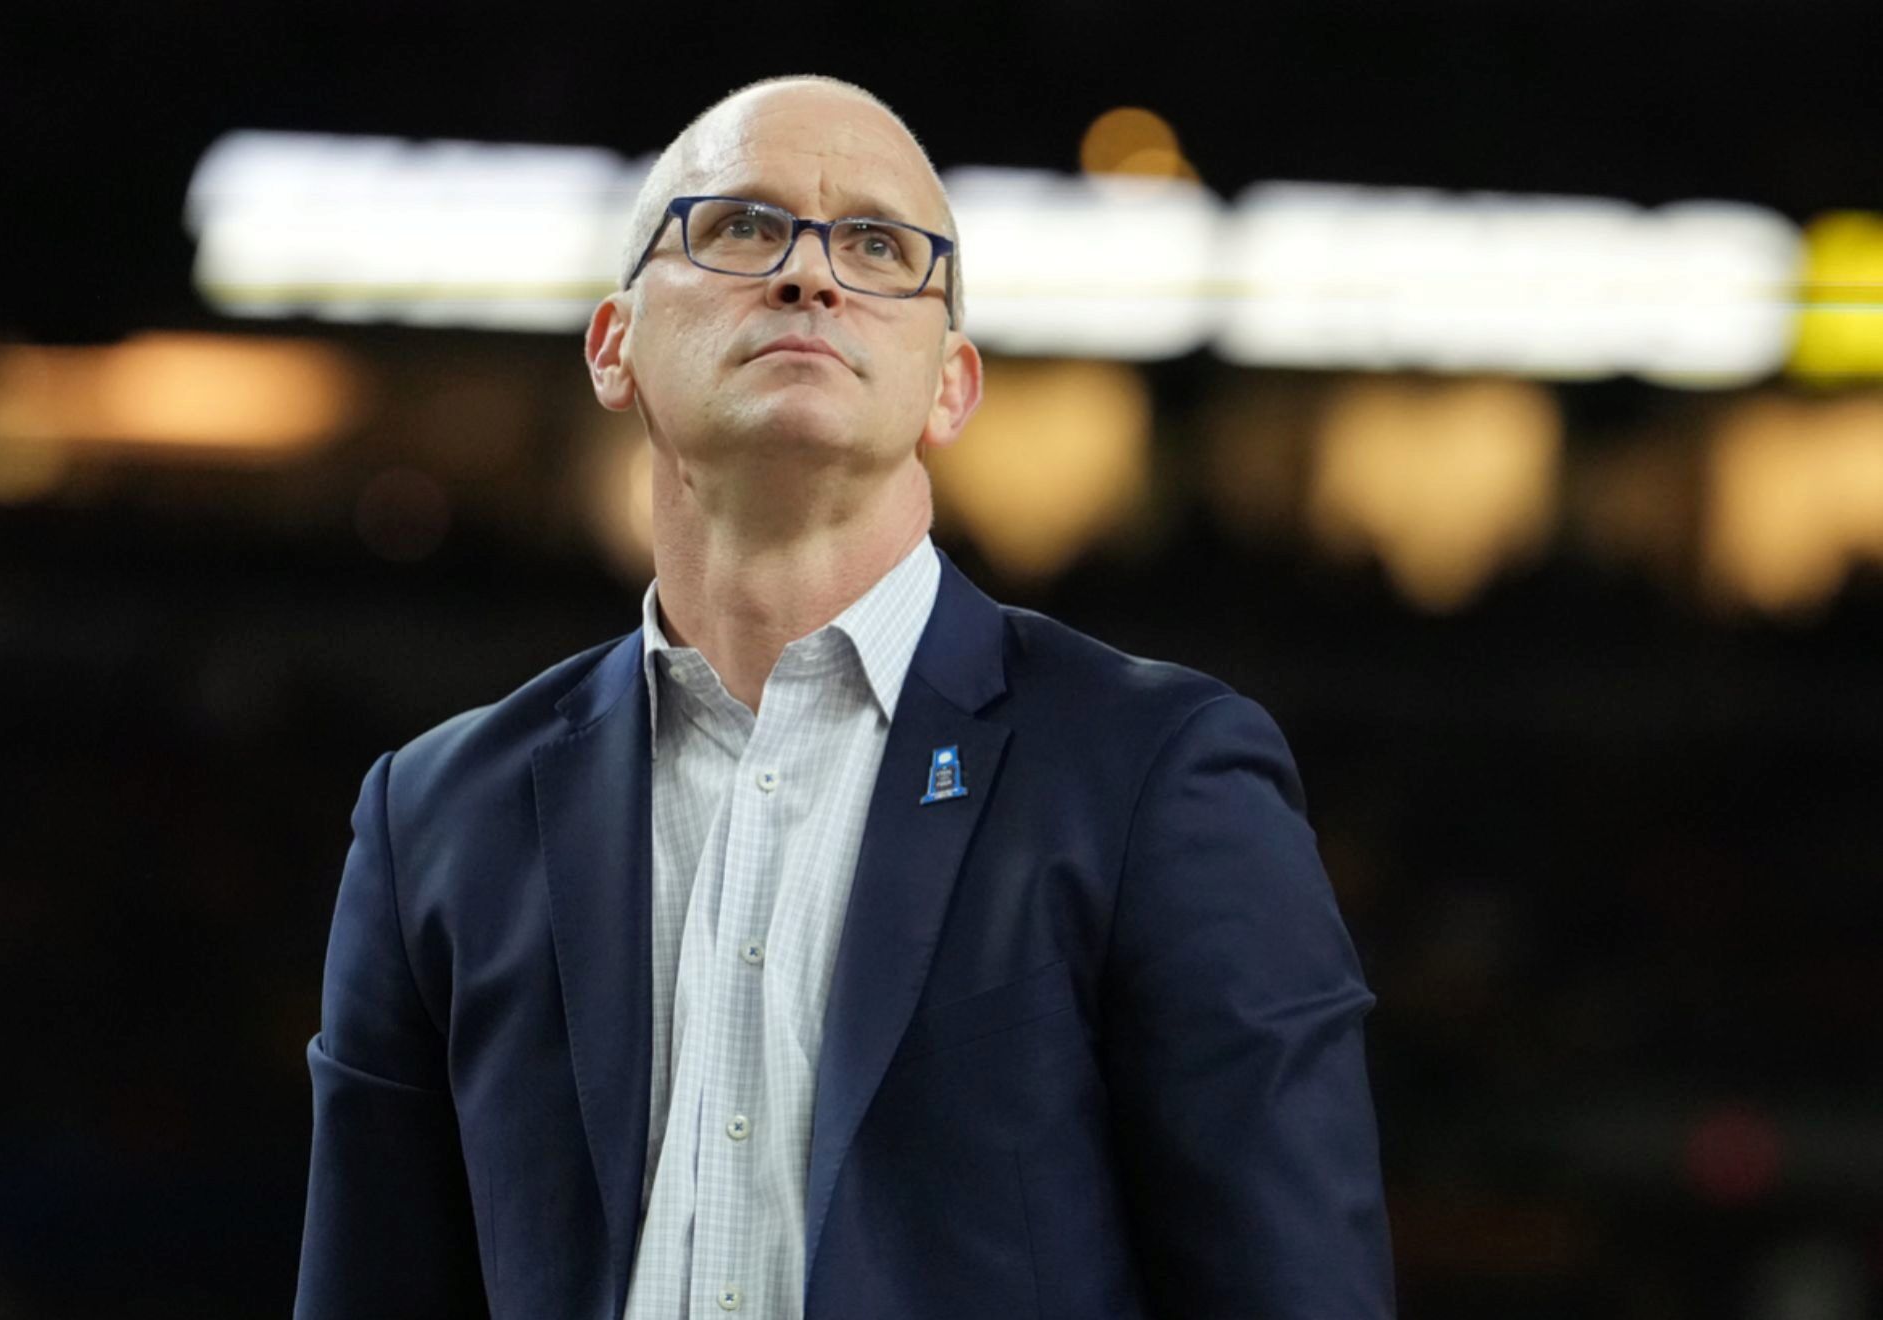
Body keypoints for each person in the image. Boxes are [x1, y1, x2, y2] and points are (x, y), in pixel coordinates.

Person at [294, 74, 1394, 1320]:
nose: (810, 275)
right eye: (741, 228)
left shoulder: (1158, 773)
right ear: (615, 348)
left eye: (876, 245)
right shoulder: (431, 817)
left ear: (952, 385)